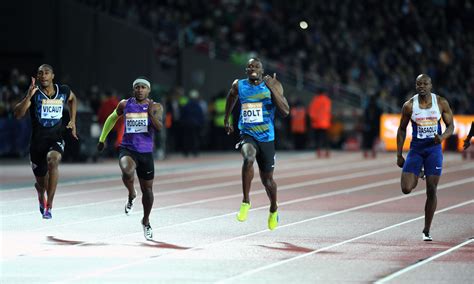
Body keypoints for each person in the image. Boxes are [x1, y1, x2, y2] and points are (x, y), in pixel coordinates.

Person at [224, 58, 289, 230]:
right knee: (248, 158)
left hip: (267, 137)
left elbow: (284, 111)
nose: (253, 68)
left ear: (262, 70)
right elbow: (231, 97)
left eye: (256, 66)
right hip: (247, 133)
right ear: (246, 70)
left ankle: (273, 208)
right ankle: (246, 201)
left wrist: (271, 88)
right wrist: (226, 118)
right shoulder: (239, 85)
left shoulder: (274, 84)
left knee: (268, 181)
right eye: (250, 66)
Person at [97, 77, 163, 240]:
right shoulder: (125, 104)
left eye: (143, 87)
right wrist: (102, 138)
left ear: (148, 90)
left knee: (147, 191)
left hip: (146, 152)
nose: (140, 90)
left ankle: (146, 220)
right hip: (127, 148)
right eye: (137, 87)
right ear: (133, 90)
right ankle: (131, 192)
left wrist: (150, 115)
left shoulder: (155, 106)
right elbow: (112, 118)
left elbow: (159, 127)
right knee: (127, 171)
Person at [13, 64, 78, 219]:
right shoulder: (34, 93)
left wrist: (73, 120)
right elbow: (18, 114)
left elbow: (73, 99)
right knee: (42, 183)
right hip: (37, 143)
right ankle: (41, 192)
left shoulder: (63, 90)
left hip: (56, 138)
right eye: (40, 73)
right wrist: (28, 96)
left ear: (52, 76)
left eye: (46, 73)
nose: (43, 76)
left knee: (53, 160)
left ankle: (49, 205)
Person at [396, 74, 454, 241]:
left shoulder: (441, 102)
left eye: (425, 83)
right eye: (418, 84)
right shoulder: (409, 105)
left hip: (434, 150)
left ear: (431, 85)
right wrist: (399, 154)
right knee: (406, 188)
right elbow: (401, 129)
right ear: (416, 86)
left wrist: (442, 137)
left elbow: (451, 125)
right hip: (416, 149)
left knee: (431, 189)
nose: (422, 86)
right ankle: (419, 172)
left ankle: (426, 229)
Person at [308, 90, 331, 157]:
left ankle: (319, 151)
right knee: (325, 138)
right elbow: (328, 110)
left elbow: (311, 112)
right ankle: (327, 151)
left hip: (316, 123)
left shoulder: (315, 100)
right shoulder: (327, 100)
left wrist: (314, 119)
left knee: (318, 138)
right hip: (325, 122)